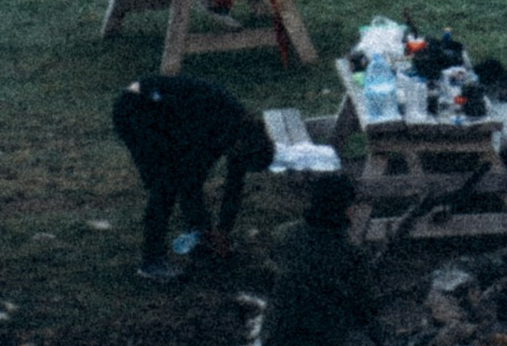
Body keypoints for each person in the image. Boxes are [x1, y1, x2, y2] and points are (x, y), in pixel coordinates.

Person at [111, 73, 273, 283]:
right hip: (138, 106)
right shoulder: (215, 126)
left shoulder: (243, 136)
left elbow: (234, 186)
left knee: (183, 180)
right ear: (239, 147)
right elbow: (188, 176)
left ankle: (201, 241)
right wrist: (206, 228)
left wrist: (223, 231)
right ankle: (151, 261)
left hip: (167, 113)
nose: (235, 164)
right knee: (165, 184)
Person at [260, 170, 377, 346]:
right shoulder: (350, 254)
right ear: (346, 209)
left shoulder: (283, 235)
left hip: (276, 335)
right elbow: (365, 309)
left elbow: (269, 278)